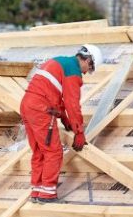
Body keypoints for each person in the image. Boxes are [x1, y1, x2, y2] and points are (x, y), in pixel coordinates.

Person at [20, 45, 102, 203]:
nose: (85, 73)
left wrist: (65, 119)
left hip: (28, 105)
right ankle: (48, 194)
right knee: (54, 152)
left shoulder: (61, 62)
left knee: (39, 151)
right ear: (87, 59)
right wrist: (79, 131)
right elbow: (72, 103)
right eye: (89, 68)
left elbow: (56, 96)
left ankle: (37, 191)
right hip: (41, 109)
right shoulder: (73, 71)